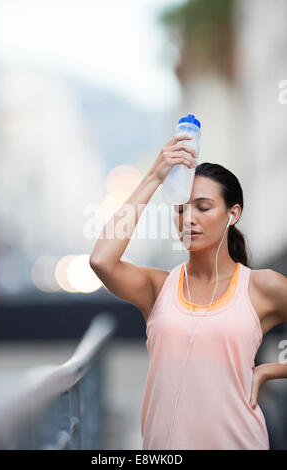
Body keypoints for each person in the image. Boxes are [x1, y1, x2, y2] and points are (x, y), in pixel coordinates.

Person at [89, 133, 287, 450]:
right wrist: (154, 176)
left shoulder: (261, 286)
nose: (189, 219)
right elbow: (101, 260)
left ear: (232, 214)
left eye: (203, 208)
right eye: (180, 209)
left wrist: (270, 371)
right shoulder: (157, 287)